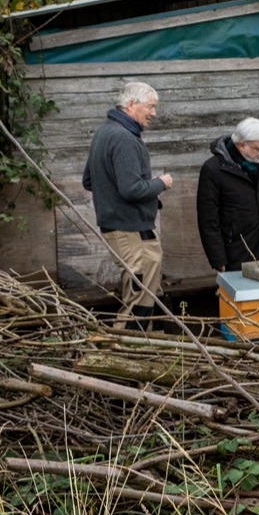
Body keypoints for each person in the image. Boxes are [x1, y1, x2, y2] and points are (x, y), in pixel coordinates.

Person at [81, 80, 173, 329]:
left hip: (122, 227)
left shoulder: (104, 132)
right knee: (139, 297)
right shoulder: (124, 139)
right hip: (130, 229)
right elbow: (132, 189)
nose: (154, 113)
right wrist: (160, 183)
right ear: (132, 104)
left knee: (147, 290)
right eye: (151, 107)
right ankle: (124, 351)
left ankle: (152, 343)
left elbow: (89, 181)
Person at [195, 117, 259, 272]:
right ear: (241, 145)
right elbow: (208, 219)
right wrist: (218, 259)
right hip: (237, 254)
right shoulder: (213, 169)